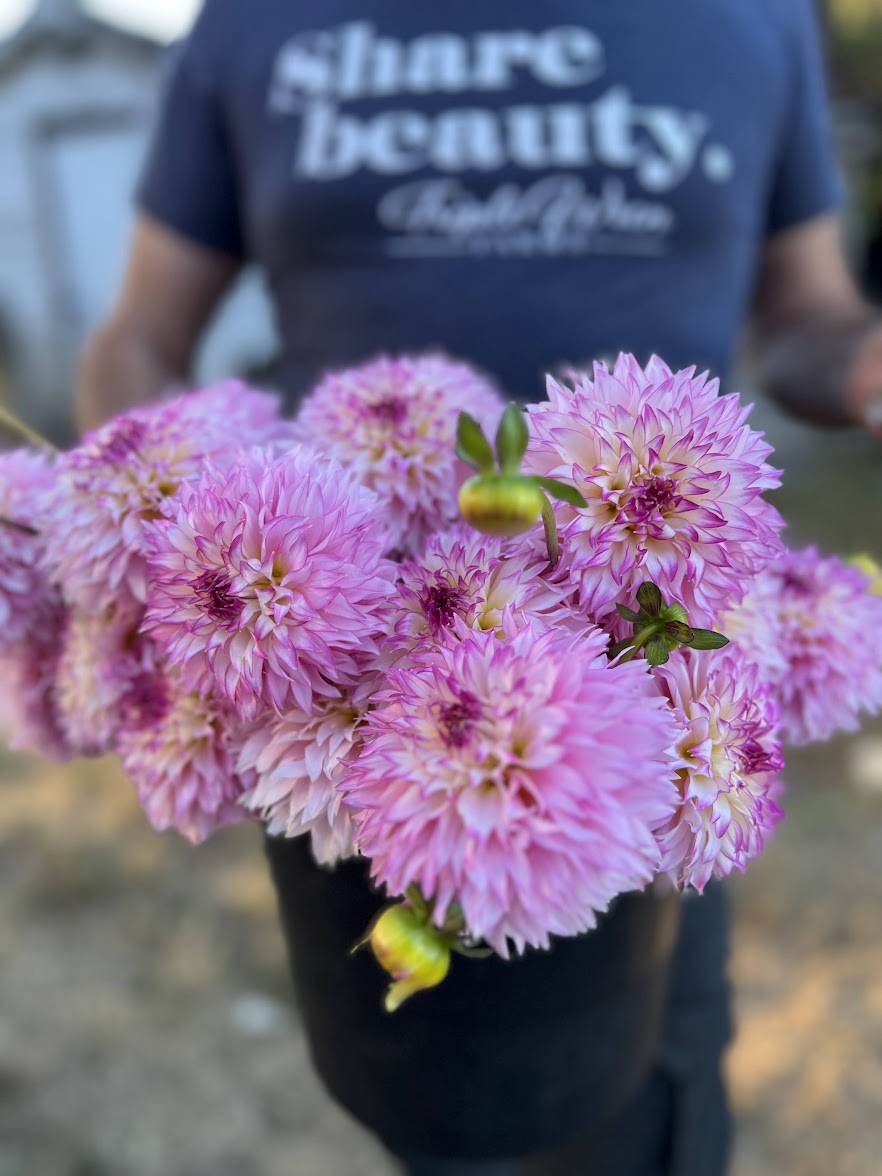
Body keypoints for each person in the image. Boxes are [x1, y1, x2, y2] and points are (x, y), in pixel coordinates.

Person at [75, 4, 882, 1173]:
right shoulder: (252, 23)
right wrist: (158, 504)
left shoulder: (751, 19)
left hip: (652, 692)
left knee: (642, 1111)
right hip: (339, 688)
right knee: (437, 1120)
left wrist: (861, 360)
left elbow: (807, 313)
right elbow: (138, 333)